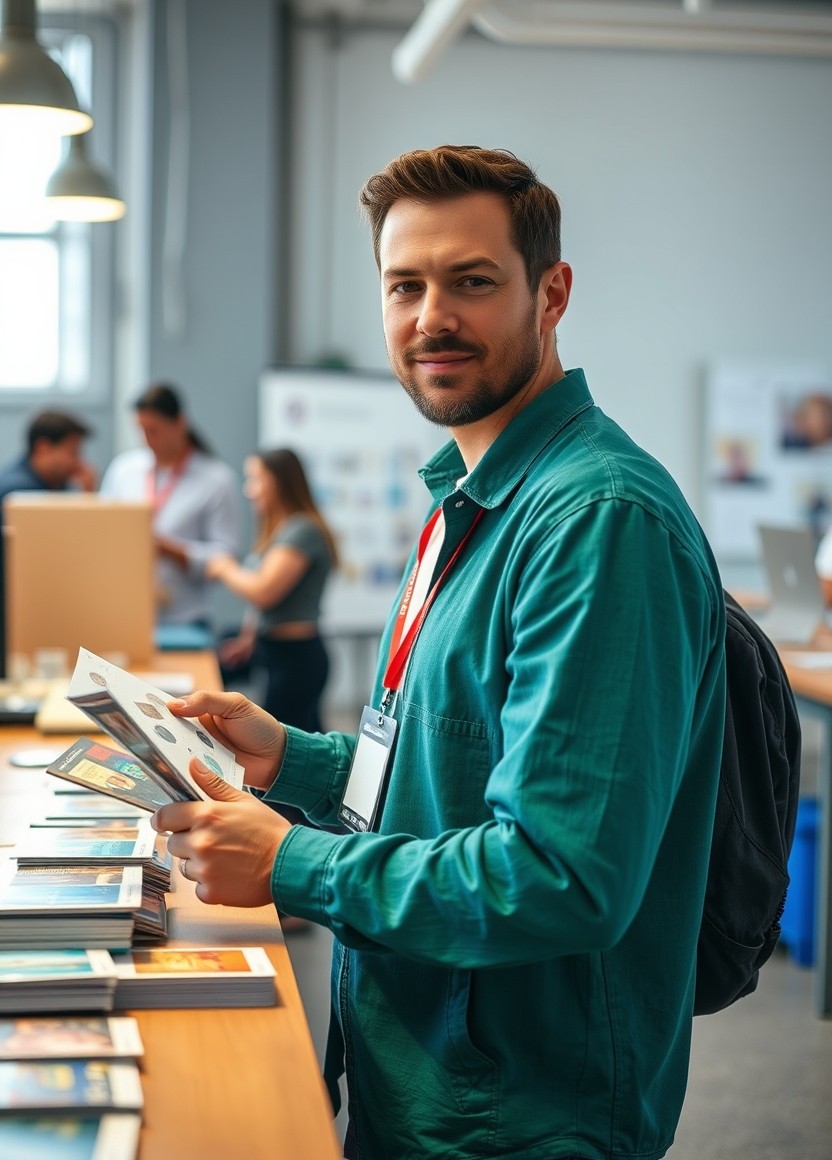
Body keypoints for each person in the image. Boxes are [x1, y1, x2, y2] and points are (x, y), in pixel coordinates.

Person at [151, 146, 727, 1160]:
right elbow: (442, 757)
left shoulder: (596, 522)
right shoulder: (462, 499)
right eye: (404, 285)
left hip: (514, 1110)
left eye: (471, 282)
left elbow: (561, 874)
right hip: (413, 1067)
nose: (431, 318)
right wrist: (293, 758)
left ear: (551, 293)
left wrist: (292, 860)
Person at [206, 448, 337, 733]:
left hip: (297, 659)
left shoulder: (303, 530)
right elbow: (264, 604)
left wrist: (224, 567)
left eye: (255, 480)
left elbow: (264, 591)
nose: (249, 490)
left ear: (277, 481)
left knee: (288, 748)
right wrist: (247, 638)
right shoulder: (280, 532)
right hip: (273, 650)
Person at [99, 383, 239, 628]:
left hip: (185, 617)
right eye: (141, 430)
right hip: (122, 612)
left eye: (154, 431)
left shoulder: (216, 479)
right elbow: (99, 531)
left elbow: (225, 557)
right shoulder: (123, 470)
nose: (146, 440)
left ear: (179, 423)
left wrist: (169, 550)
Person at [0, 410, 96, 506]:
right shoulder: (17, 492)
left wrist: (87, 494)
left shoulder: (57, 483)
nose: (78, 461)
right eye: (72, 452)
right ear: (43, 448)